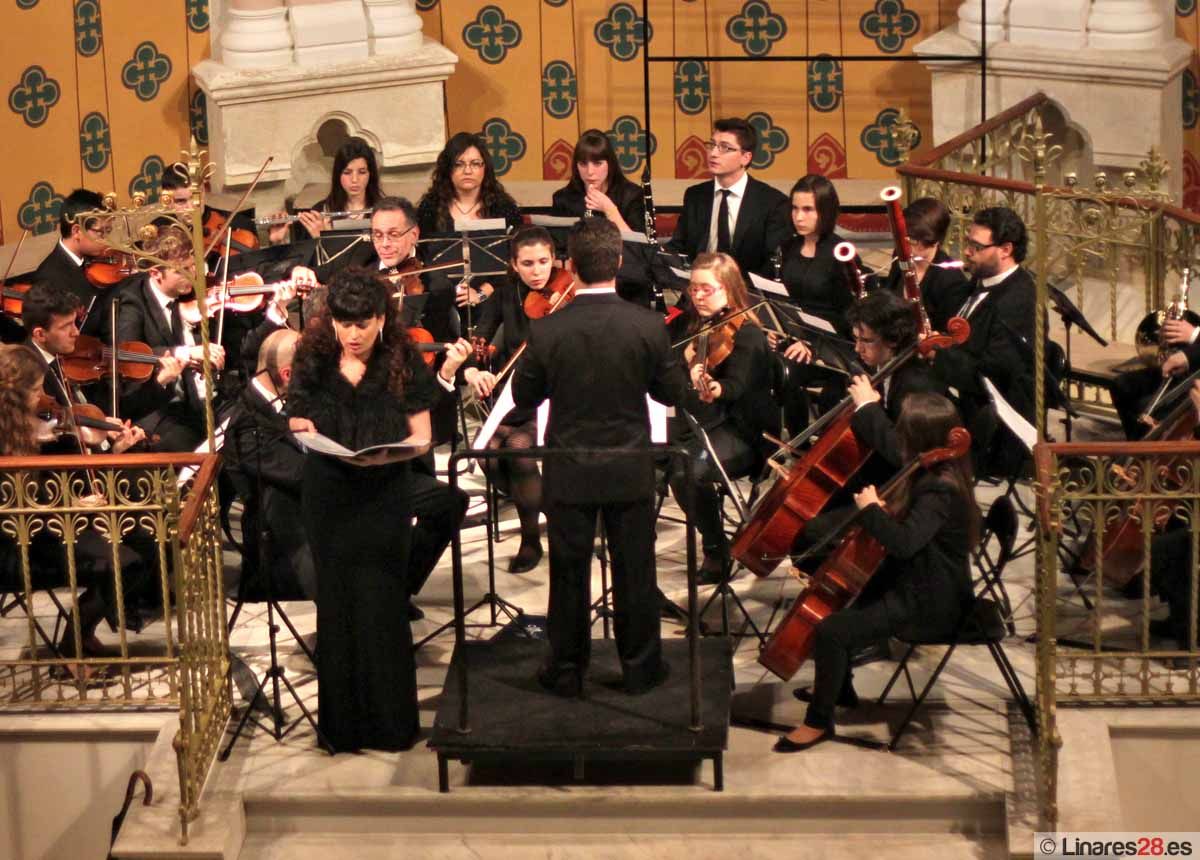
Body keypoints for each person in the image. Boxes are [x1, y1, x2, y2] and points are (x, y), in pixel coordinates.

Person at [512, 218, 688, 697]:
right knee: (634, 569)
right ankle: (640, 669)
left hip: (569, 468)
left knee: (568, 572)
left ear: (570, 264)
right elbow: (672, 392)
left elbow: (524, 395)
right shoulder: (647, 324)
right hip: (629, 467)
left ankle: (566, 670)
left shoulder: (547, 329)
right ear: (616, 262)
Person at [285, 267, 440, 751]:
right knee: (337, 606)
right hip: (328, 493)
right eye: (343, 323)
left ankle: (391, 727)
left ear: (381, 318)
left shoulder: (403, 359)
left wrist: (391, 454)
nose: (352, 334)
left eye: (362, 323)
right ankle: (342, 729)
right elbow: (294, 417)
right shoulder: (312, 356)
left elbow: (422, 437)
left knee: (382, 603)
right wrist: (303, 430)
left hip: (383, 495)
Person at [775, 392, 980, 752]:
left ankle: (818, 722)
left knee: (830, 631)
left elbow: (904, 543)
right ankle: (839, 688)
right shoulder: (935, 471)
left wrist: (871, 510)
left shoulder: (939, 489)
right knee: (845, 605)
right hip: (921, 580)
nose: (898, 438)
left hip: (929, 601)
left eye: (904, 432)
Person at [0, 344, 150, 675]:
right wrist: (70, 507)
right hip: (17, 543)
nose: (42, 399)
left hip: (48, 527)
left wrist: (113, 451)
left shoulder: (33, 425)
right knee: (121, 564)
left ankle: (80, 637)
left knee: (141, 543)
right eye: (36, 390)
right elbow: (13, 506)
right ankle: (71, 651)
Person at [440, 225, 555, 572]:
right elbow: (480, 337)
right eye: (528, 263)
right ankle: (543, 502)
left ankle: (530, 538)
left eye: (544, 262)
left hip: (554, 395)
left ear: (554, 260)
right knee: (487, 454)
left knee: (518, 448)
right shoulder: (506, 295)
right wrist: (474, 370)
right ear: (514, 265)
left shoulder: (567, 296)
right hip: (516, 394)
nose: (537, 271)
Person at [667, 252, 778, 583]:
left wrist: (713, 386)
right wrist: (683, 363)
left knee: (686, 472)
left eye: (707, 289)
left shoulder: (748, 335)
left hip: (742, 431)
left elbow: (736, 386)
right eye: (693, 289)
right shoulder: (691, 325)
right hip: (699, 422)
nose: (697, 296)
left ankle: (716, 550)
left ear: (729, 289)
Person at [931, 207, 1036, 477]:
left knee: (915, 412)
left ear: (1005, 249)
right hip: (963, 393)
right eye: (968, 243)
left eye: (977, 246)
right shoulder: (981, 280)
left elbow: (992, 375)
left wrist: (937, 355)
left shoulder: (1018, 301)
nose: (967, 251)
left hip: (992, 418)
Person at [107, 226, 226, 451]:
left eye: (193, 266)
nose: (193, 275)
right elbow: (128, 353)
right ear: (155, 273)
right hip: (158, 411)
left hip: (197, 401)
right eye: (182, 270)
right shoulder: (132, 303)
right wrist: (186, 352)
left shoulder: (187, 293)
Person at [666, 117, 791, 278]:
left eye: (725, 148)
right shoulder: (695, 196)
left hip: (746, 295)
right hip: (699, 290)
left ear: (745, 157)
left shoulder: (772, 202)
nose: (714, 153)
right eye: (712, 145)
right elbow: (678, 246)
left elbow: (772, 262)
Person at [878, 197, 971, 334]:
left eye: (914, 241)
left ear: (934, 240)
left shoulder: (952, 281)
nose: (906, 247)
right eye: (905, 238)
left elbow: (946, 334)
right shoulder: (900, 254)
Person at [266, 137, 382, 245]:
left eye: (362, 172)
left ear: (370, 174)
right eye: (347, 173)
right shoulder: (319, 213)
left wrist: (327, 240)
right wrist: (277, 241)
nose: (355, 180)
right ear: (337, 175)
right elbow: (305, 264)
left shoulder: (385, 211)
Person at [33, 188, 111, 336]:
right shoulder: (48, 277)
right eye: (101, 232)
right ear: (77, 231)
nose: (107, 239)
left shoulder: (97, 258)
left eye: (109, 231)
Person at [416, 132, 522, 235]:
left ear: (485, 168)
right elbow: (423, 250)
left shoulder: (504, 207)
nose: (467, 171)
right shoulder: (430, 208)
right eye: (458, 164)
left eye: (475, 164)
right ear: (447, 168)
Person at [551, 129, 645, 235]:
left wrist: (609, 209)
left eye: (597, 164)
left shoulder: (632, 196)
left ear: (610, 164)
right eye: (583, 164)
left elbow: (638, 248)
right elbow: (558, 247)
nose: (590, 172)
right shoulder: (563, 199)